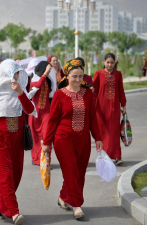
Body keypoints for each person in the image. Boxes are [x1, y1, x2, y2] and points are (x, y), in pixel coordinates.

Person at [42, 59, 103, 220]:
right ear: (67, 76)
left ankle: (64, 196)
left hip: (83, 139)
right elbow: (53, 120)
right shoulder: (59, 95)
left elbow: (93, 118)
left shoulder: (88, 94)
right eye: (74, 76)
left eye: (80, 76)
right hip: (63, 138)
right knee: (70, 170)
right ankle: (77, 205)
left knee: (80, 172)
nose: (77, 80)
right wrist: (47, 142)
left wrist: (98, 137)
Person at [0, 59, 37, 225]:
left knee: (16, 175)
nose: (16, 77)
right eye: (13, 74)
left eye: (18, 74)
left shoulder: (21, 92)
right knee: (4, 175)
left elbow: (30, 110)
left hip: (17, 140)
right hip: (0, 140)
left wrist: (20, 92)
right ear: (5, 74)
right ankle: (14, 212)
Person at [93, 53, 127, 165]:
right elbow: (94, 92)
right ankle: (103, 156)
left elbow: (121, 91)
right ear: (104, 62)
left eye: (112, 63)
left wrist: (124, 106)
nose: (109, 64)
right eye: (107, 62)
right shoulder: (98, 74)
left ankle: (117, 156)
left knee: (114, 132)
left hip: (114, 108)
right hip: (101, 108)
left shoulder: (118, 74)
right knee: (103, 132)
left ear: (115, 63)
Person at [29, 61, 53, 165]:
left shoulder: (49, 80)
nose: (49, 72)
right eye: (48, 69)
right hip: (34, 113)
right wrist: (45, 73)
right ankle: (36, 158)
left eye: (50, 70)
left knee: (46, 136)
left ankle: (46, 160)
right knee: (35, 137)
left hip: (46, 112)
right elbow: (38, 84)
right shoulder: (32, 79)